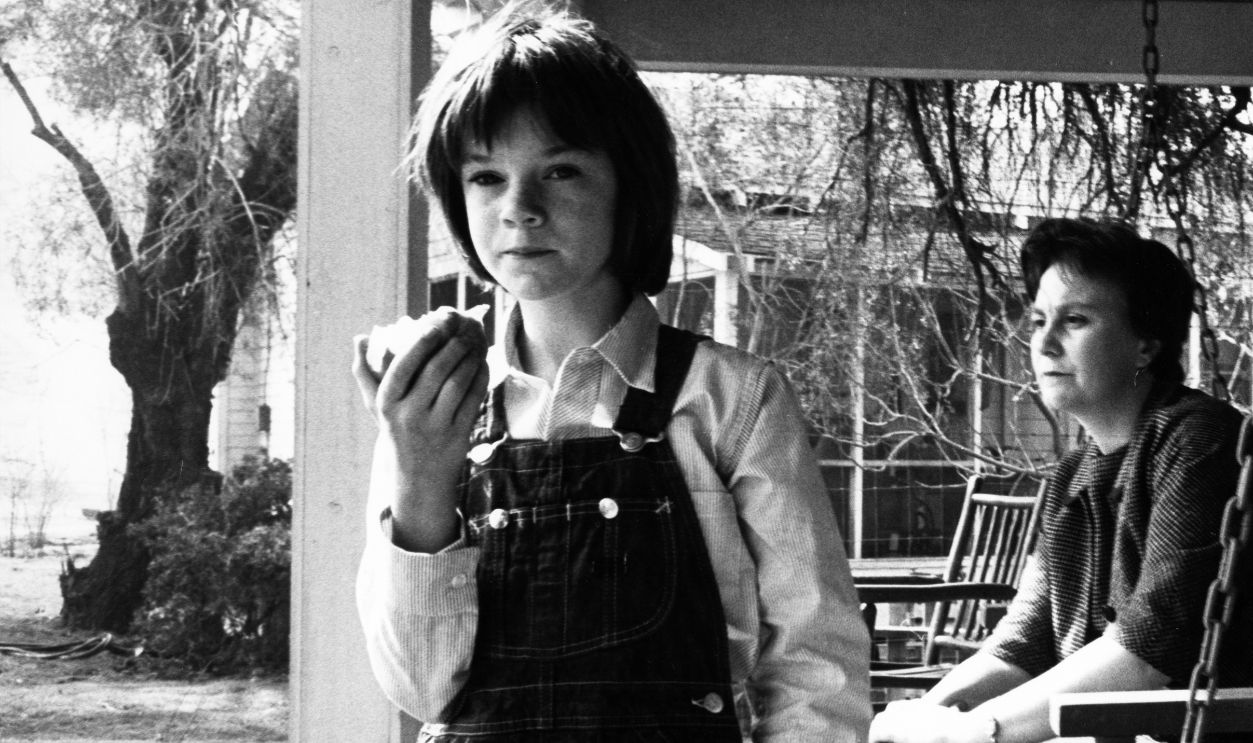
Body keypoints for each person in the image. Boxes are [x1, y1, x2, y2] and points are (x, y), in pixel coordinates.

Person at [352, 8, 870, 741]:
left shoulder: (732, 400)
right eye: (486, 176)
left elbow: (817, 670)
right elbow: (421, 687)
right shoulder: (433, 408)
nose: (519, 209)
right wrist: (420, 476)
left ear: (630, 184)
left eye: (560, 170)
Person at [869, 217, 1252, 743]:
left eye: (1074, 320)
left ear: (1146, 346)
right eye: (1037, 321)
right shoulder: (1075, 473)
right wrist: (919, 718)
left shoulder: (1198, 443)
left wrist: (978, 731)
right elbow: (1022, 645)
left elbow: (1146, 653)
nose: (1045, 345)